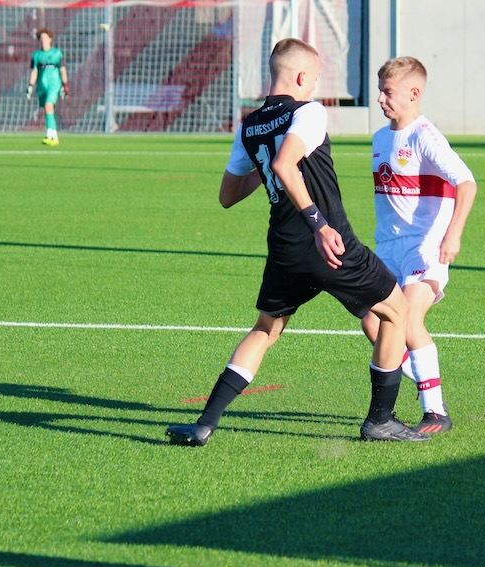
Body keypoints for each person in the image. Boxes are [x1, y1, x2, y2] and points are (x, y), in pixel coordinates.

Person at [166, 38, 428, 447]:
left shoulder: (250, 125)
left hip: (284, 248)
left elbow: (228, 195)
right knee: (397, 311)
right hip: (328, 242)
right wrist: (319, 225)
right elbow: (284, 163)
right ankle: (380, 420)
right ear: (302, 76)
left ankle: (204, 423)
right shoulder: (309, 111)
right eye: (316, 78)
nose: (316, 86)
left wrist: (266, 170)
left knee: (265, 329)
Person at [360, 57, 476, 434]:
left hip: (425, 248)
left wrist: (453, 234)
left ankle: (435, 411)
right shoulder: (381, 138)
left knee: (409, 320)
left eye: (387, 92)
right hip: (388, 248)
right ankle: (424, 376)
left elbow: (467, 183)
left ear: (414, 93)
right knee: (372, 322)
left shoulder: (425, 136)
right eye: (379, 90)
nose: (380, 98)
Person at [27, 28, 68, 146]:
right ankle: (53, 136)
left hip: (54, 84)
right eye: (41, 38)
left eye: (45, 38)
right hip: (42, 86)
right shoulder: (36, 55)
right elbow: (34, 71)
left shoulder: (57, 54)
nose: (43, 40)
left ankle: (50, 134)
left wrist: (65, 85)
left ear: (50, 39)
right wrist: (30, 86)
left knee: (48, 105)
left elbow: (62, 69)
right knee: (47, 110)